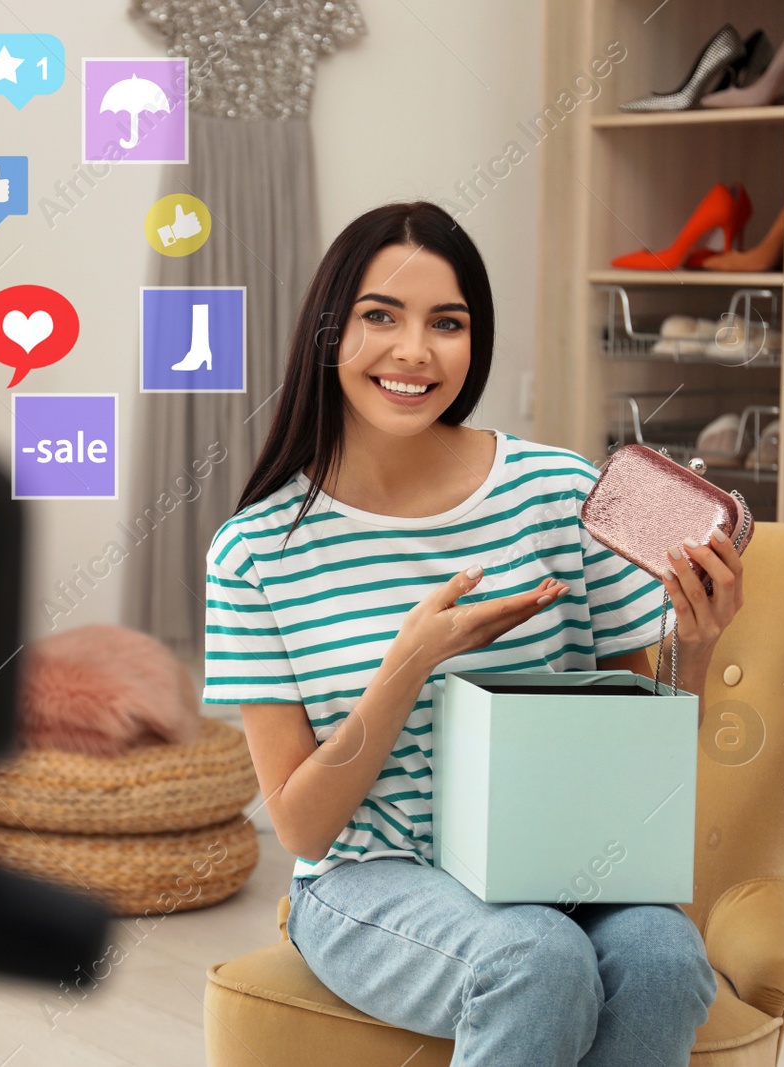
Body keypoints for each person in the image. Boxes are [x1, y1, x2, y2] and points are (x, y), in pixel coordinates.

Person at [202, 202, 739, 1065]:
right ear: (330, 330)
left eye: (446, 323)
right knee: (536, 957)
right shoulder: (257, 551)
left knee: (665, 955)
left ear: (474, 341)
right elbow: (302, 829)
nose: (414, 351)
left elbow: (638, 755)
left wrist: (697, 647)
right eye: (381, 316)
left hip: (559, 861)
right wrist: (412, 661)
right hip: (368, 876)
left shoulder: (561, 494)